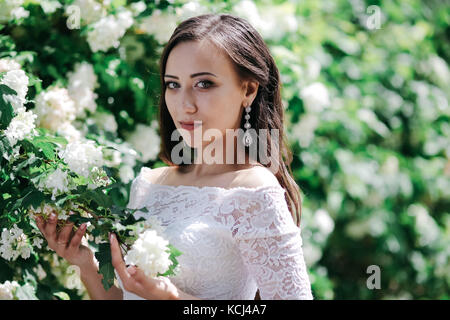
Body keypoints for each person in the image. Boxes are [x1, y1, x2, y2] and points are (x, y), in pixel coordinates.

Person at [35, 13, 314, 300]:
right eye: (173, 84)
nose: (184, 104)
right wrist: (85, 264)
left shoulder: (254, 190)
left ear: (248, 89)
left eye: (204, 84)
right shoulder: (148, 185)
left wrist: (173, 298)